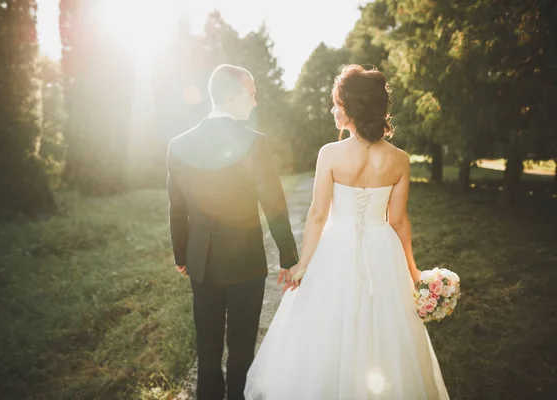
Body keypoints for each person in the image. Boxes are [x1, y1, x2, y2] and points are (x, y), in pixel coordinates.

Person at [244, 64, 450, 399]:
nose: (332, 110)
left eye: (336, 104)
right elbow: (398, 220)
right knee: (384, 328)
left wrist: (304, 264)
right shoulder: (399, 159)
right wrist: (413, 273)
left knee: (329, 328)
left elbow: (317, 214)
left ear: (351, 110)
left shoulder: (330, 154)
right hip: (383, 249)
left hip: (335, 249)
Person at [166, 64, 299, 400]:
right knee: (241, 351)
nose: (254, 103)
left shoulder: (178, 144)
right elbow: (273, 203)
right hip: (246, 264)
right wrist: (289, 256)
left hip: (202, 262)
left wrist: (182, 255)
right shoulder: (253, 142)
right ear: (231, 95)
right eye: (251, 94)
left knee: (207, 350)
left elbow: (176, 208)